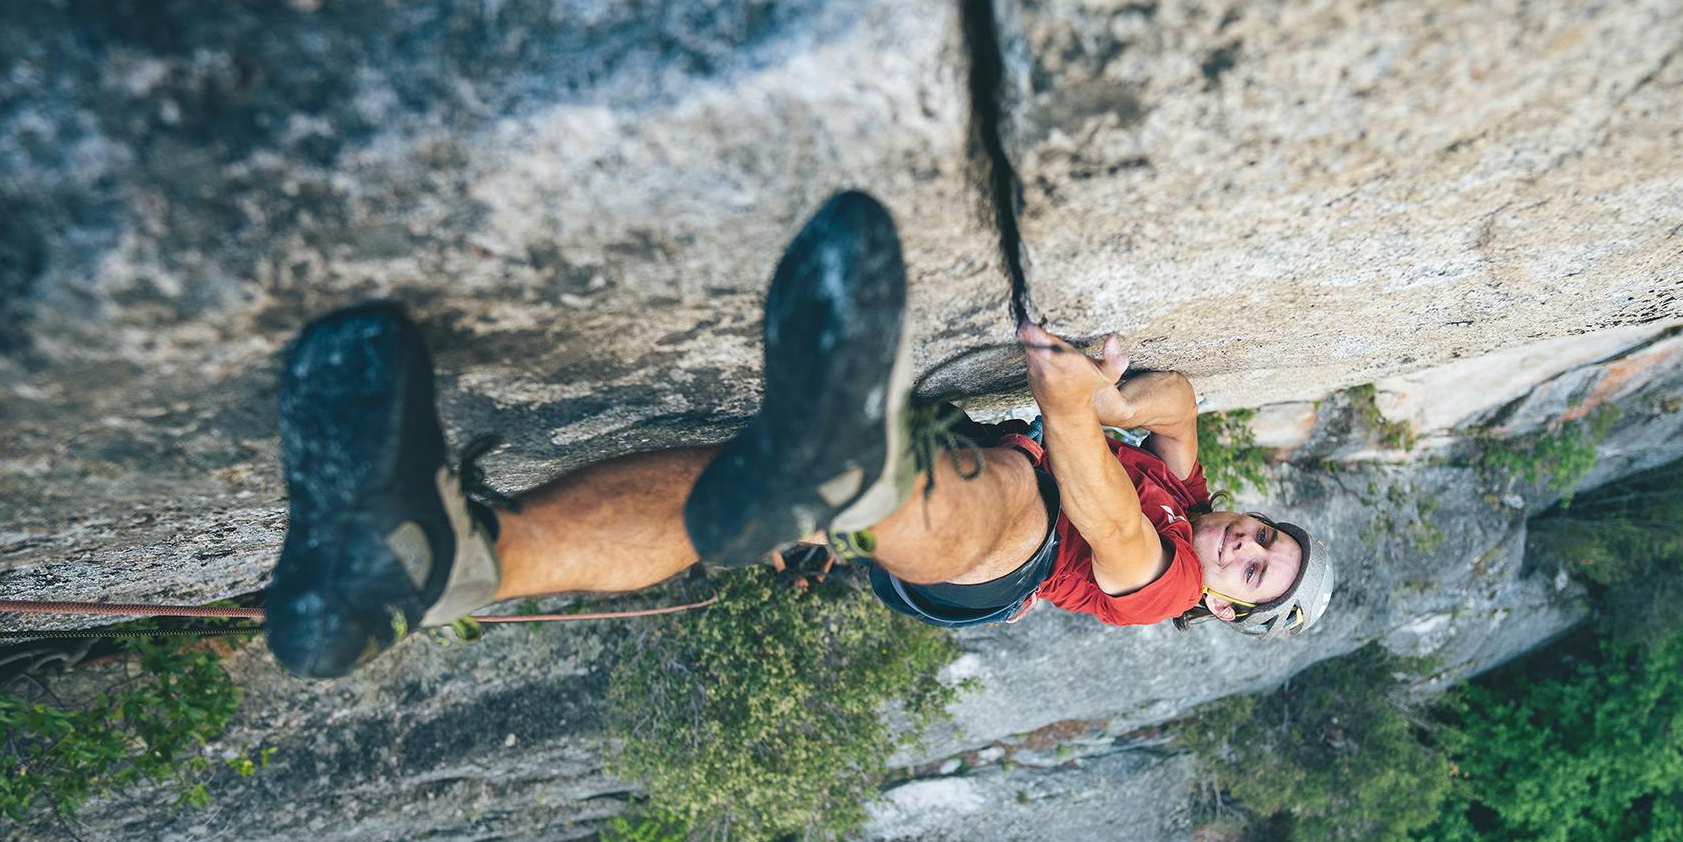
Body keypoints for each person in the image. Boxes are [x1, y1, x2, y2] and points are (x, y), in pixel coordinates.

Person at [264, 190, 1331, 677]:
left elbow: (1099, 517)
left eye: (1254, 577)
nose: (1245, 551)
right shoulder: (1191, 495)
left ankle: (856, 473)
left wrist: (1065, 409)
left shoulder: (1166, 588)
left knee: (1014, 500)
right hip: (964, 495)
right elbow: (1180, 401)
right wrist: (1111, 401)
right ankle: (429, 565)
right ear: (1249, 517)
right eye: (1264, 539)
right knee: (729, 481)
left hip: (1006, 546)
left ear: (1228, 605)